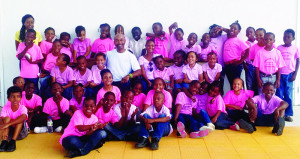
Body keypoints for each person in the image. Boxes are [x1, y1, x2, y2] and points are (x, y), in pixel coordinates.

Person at [276, 29, 299, 122]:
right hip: (280, 74)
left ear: (293, 38)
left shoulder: (295, 48)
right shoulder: (279, 48)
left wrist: (295, 74)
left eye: (288, 37)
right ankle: (280, 113)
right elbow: (276, 60)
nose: (286, 38)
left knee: (288, 95)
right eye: (284, 36)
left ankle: (288, 114)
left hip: (289, 74)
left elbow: (298, 60)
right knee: (279, 94)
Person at [0, 86, 28, 152]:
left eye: (18, 96)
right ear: (8, 98)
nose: (15, 99)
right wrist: (2, 129)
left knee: (20, 119)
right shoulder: (5, 108)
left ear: (21, 98)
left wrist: (8, 124)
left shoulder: (22, 108)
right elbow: (1, 119)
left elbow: (23, 117)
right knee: (6, 119)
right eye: (12, 97)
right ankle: (4, 141)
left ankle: (13, 142)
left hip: (20, 133)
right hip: (8, 133)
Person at [223, 21, 250, 89]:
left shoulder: (238, 40)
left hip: (235, 65)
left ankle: (240, 98)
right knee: (232, 84)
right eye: (231, 28)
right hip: (227, 65)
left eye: (235, 28)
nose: (232, 29)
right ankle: (234, 99)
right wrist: (222, 28)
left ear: (238, 31)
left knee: (237, 84)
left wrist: (240, 61)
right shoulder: (227, 40)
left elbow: (247, 50)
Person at [16, 29, 44, 94]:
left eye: (31, 37)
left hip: (34, 74)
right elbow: (19, 57)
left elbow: (40, 59)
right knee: (23, 89)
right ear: (25, 36)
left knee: (35, 89)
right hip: (24, 74)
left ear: (34, 38)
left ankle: (35, 103)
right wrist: (27, 48)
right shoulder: (21, 45)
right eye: (27, 36)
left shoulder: (36, 47)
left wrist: (32, 62)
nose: (29, 38)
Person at [244, 27, 257, 91]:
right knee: (249, 84)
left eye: (251, 32)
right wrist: (244, 63)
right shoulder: (245, 43)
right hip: (249, 66)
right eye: (247, 32)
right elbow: (241, 55)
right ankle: (250, 99)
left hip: (257, 67)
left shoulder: (258, 43)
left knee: (257, 84)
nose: (249, 33)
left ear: (255, 33)